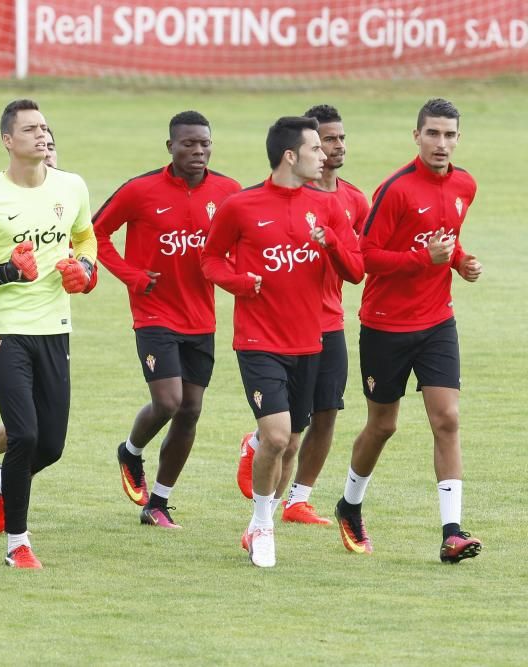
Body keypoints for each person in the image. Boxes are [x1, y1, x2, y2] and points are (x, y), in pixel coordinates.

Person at [201, 116, 362, 567]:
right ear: (290, 156)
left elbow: (354, 270)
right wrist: (238, 282)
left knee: (290, 442)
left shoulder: (328, 207)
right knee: (276, 436)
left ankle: (257, 522)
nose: (324, 155)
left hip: (309, 342)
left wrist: (329, 241)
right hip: (258, 340)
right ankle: (263, 524)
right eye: (315, 148)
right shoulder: (242, 206)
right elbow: (210, 259)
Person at [333, 98, 483, 564]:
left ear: (458, 139)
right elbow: (365, 257)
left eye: (450, 135)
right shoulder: (395, 189)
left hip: (437, 321)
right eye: (433, 134)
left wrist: (460, 261)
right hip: (385, 327)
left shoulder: (464, 185)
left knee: (448, 418)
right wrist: (427, 259)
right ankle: (349, 504)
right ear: (416, 135)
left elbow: (446, 237)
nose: (442, 143)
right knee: (383, 425)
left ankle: (452, 532)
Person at [0, 99, 96, 568]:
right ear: (8, 140)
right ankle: (18, 545)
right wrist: (5, 271)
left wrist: (85, 268)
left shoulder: (71, 187)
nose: (42, 135)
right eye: (31, 129)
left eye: (46, 127)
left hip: (55, 327)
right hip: (4, 330)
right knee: (25, 433)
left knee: (50, 445)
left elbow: (85, 237)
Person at [93, 111, 241, 529]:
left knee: (191, 410)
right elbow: (94, 234)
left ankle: (158, 502)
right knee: (169, 401)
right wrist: (133, 277)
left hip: (201, 318)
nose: (198, 151)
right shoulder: (140, 190)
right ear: (170, 147)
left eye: (204, 144)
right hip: (154, 313)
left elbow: (244, 241)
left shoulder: (228, 192)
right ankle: (131, 450)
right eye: (188, 144)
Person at [236, 105, 369, 525]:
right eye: (326, 140)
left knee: (326, 413)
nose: (335, 148)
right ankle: (261, 466)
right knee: (286, 433)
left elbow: (357, 265)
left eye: (339, 139)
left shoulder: (352, 201)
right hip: (285, 327)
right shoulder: (264, 201)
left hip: (330, 324)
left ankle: (298, 499)